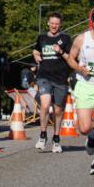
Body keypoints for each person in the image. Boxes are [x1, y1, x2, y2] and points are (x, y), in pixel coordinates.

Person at [64, 7, 94, 175]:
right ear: (92, 21)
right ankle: (92, 136)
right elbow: (70, 58)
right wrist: (79, 68)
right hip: (85, 85)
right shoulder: (81, 38)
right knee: (84, 128)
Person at [32, 12, 72, 153]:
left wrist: (60, 51)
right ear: (48, 23)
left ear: (60, 25)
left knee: (58, 110)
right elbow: (36, 51)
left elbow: (71, 58)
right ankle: (43, 135)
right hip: (44, 77)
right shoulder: (42, 38)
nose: (54, 26)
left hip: (60, 78)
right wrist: (36, 56)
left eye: (57, 23)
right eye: (52, 23)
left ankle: (56, 138)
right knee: (44, 104)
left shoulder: (66, 38)